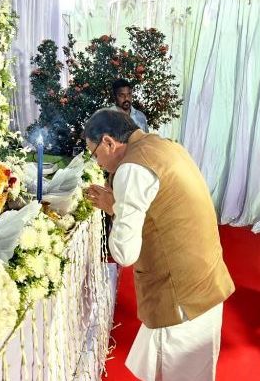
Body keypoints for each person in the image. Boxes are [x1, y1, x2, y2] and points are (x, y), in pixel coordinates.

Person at [84, 108, 235, 381]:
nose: (97, 163)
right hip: (205, 281)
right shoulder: (163, 145)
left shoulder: (132, 168)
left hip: (181, 297)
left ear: (108, 142)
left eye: (94, 154)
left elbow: (124, 253)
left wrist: (113, 207)